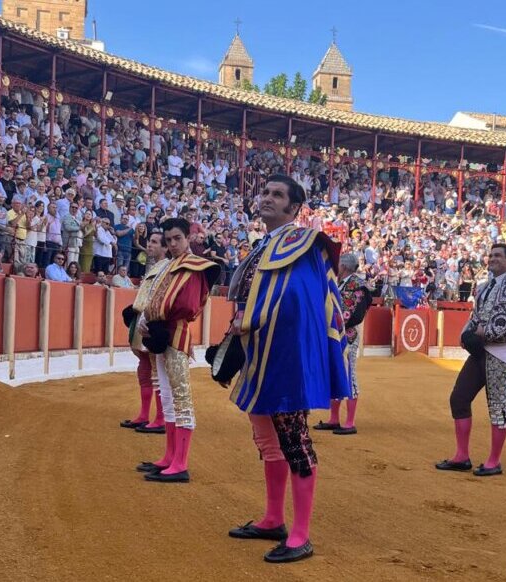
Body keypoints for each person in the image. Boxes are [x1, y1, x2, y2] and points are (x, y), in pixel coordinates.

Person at [225, 175, 350, 563]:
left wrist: (251, 320)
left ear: (294, 208)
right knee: (267, 438)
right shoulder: (262, 246)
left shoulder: (307, 244)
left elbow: (302, 300)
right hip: (259, 352)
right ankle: (273, 519)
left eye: (277, 195)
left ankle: (301, 534)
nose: (267, 198)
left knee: (295, 441)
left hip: (288, 356)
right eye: (265, 192)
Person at [436, 243, 506, 477]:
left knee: (497, 406)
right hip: (479, 352)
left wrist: (485, 333)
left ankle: (494, 461)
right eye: (491, 255)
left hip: (501, 353)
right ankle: (462, 456)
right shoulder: (483, 287)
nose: (492, 258)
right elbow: (475, 317)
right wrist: (466, 334)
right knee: (459, 398)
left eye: (498, 256)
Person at [135, 217, 220, 483]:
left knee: (180, 396)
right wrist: (148, 317)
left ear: (188, 238)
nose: (172, 244)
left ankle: (180, 463)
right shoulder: (169, 265)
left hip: (177, 334)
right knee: (168, 396)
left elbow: (189, 305)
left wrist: (153, 316)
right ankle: (170, 457)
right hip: (160, 333)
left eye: (177, 239)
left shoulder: (194, 265)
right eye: (169, 240)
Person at [314, 252, 372, 435]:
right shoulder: (339, 283)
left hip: (348, 336)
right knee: (336, 372)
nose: (335, 266)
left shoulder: (358, 285)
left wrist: (333, 322)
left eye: (338, 264)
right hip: (335, 335)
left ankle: (350, 422)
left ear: (344, 266)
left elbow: (356, 315)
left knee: (349, 374)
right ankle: (334, 419)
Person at [121, 231, 169, 433]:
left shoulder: (167, 267)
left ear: (165, 247)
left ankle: (161, 418)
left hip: (152, 321)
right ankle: (144, 415)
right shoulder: (154, 266)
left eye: (155, 242)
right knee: (144, 368)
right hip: (142, 318)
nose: (149, 245)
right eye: (149, 241)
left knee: (156, 370)